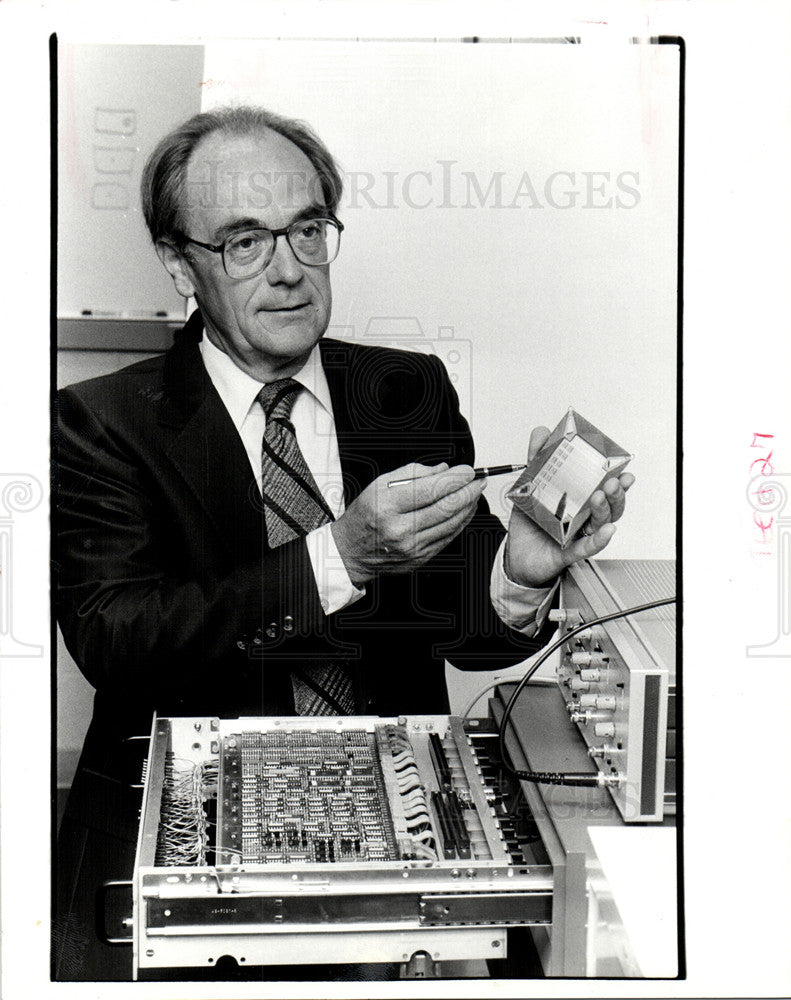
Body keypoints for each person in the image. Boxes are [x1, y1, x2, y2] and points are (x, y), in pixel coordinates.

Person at [53, 105, 632, 980]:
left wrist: (516, 576)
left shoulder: (403, 388)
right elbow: (119, 639)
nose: (289, 272)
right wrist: (343, 558)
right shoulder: (101, 421)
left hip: (400, 860)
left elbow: (458, 636)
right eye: (245, 242)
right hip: (174, 867)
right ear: (179, 263)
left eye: (308, 230)